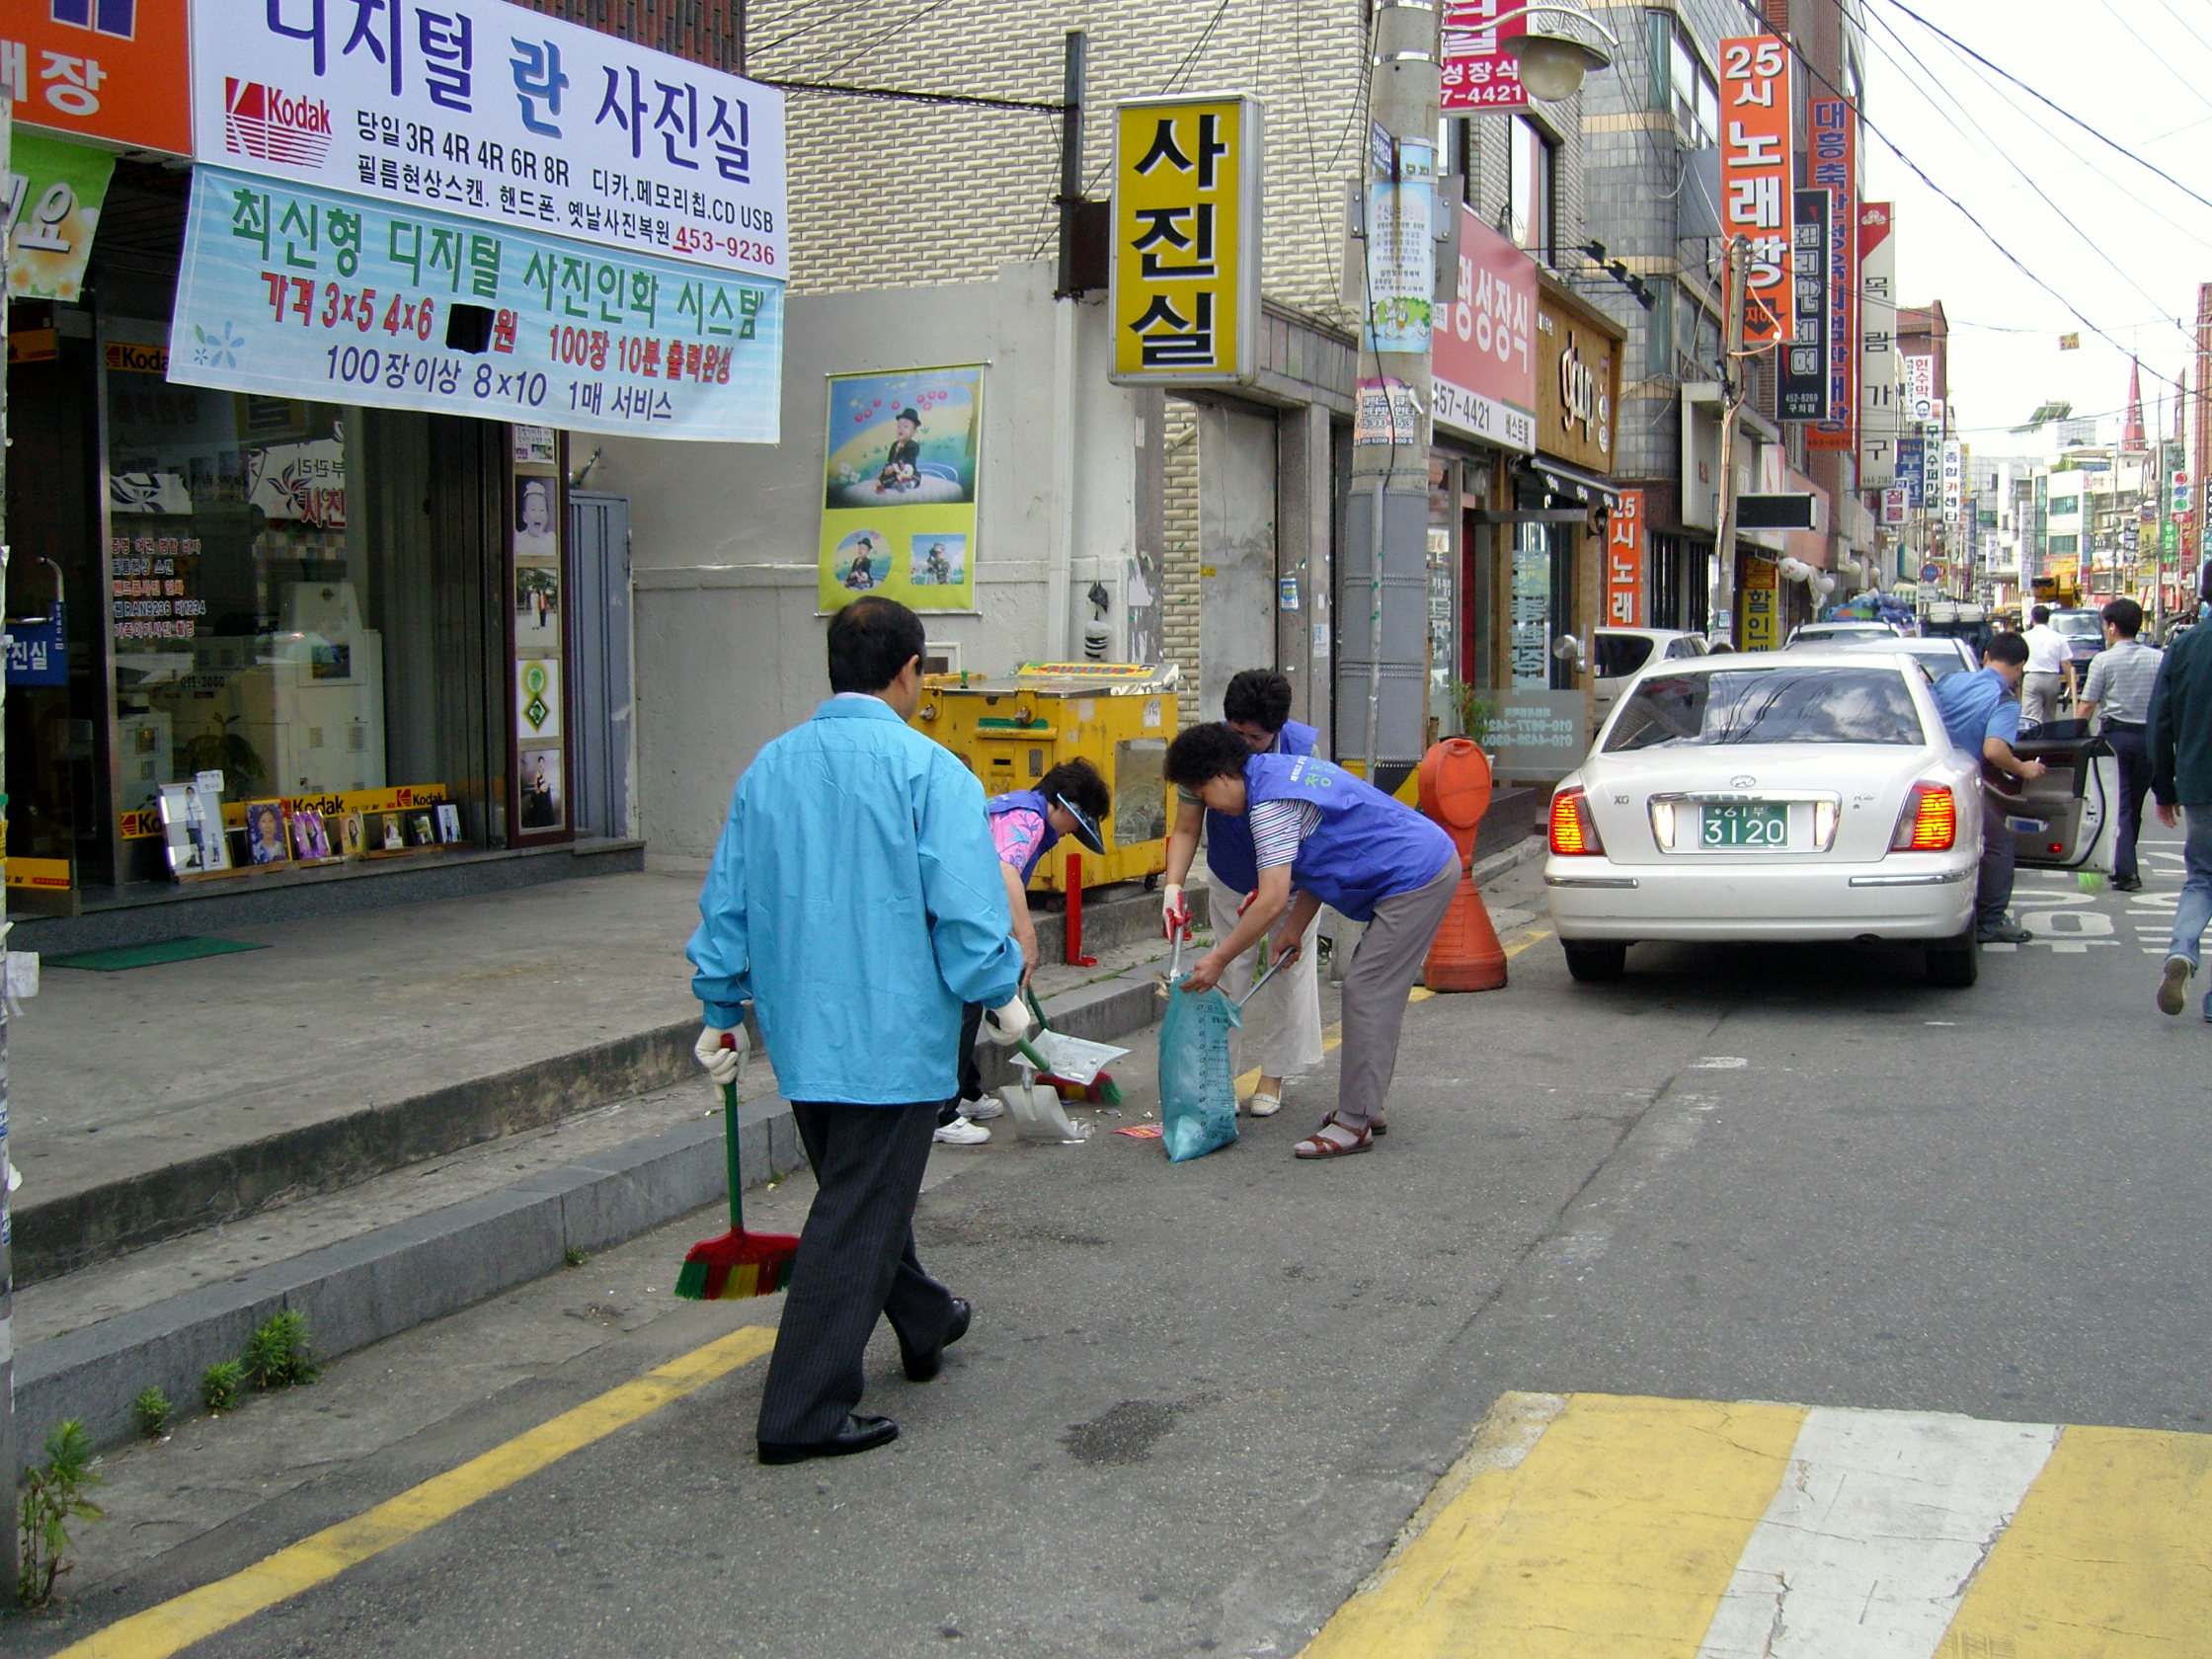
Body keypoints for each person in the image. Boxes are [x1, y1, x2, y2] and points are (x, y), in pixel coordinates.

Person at [690, 596, 1030, 1464]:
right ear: (911, 670)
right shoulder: (933, 772)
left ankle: (925, 1318)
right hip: (896, 1037)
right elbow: (966, 911)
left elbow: (727, 899)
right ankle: (800, 1411)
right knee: (855, 1213)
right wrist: (1001, 991)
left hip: (803, 1033)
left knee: (859, 1196)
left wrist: (721, 1009)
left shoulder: (768, 769)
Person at [1164, 724, 1457, 1159]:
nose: (1213, 809)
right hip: (1418, 862)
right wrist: (1294, 928)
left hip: (1415, 875)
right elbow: (1317, 856)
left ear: (1221, 775)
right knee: (1374, 993)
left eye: (1205, 795)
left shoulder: (1268, 806)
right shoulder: (1279, 771)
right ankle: (1365, 1105)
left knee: (1367, 991)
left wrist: (1219, 959)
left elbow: (1271, 899)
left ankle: (1354, 1123)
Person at [1159, 671, 1325, 1118]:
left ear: (1278, 729)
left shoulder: (1303, 752)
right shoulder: (1205, 752)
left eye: (1256, 737)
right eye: (1238, 733)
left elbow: (1318, 834)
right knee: (1227, 972)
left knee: (1286, 970)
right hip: (1232, 875)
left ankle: (1274, 1075)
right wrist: (1173, 885)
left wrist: (1291, 896)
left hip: (1292, 879)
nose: (1246, 745)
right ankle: (1221, 1077)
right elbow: (1186, 827)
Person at [942, 759, 1112, 1140]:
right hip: (953, 915)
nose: (1069, 834)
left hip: (966, 914)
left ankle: (965, 1091)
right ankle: (941, 1113)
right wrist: (1027, 942)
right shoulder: (1028, 818)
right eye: (1075, 825)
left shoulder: (1019, 808)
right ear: (1063, 806)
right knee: (962, 1011)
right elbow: (1005, 873)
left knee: (971, 1002)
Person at [1931, 632, 2046, 945]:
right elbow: (1994, 750)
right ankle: (1991, 920)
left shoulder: (1948, 681)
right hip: (1960, 782)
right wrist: (2023, 768)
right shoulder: (2004, 700)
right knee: (1997, 844)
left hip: (1924, 776)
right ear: (2020, 667)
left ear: (1985, 657)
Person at [2150, 592, 2212, 1017]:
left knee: (2203, 877)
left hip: (2199, 780)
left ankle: (2182, 950)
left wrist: (2164, 787)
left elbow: (2160, 721)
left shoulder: (2185, 645)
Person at [2075, 597, 2162, 893]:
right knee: (2133, 804)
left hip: (2116, 740)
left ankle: (2126, 871)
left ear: (2112, 627)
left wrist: (2076, 735)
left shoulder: (2103, 660)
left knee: (2118, 805)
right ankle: (2124, 862)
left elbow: (2088, 704)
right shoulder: (2157, 659)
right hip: (2149, 740)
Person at [2019, 604, 2078, 728]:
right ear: (2048, 619)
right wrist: (2069, 684)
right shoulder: (2058, 638)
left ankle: (2032, 738)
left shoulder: (2025, 637)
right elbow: (2066, 663)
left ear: (2033, 619)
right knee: (2049, 716)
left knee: (2031, 717)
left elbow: (2019, 660)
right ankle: (2049, 737)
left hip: (2032, 677)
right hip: (2052, 679)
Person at [876, 408, 922, 493]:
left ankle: (909, 484)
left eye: (905, 427)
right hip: (895, 473)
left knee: (917, 475)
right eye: (899, 426)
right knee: (884, 479)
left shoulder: (913, 446)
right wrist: (885, 471)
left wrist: (894, 467)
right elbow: (889, 460)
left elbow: (908, 460)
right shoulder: (894, 445)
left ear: (913, 432)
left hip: (907, 471)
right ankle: (896, 485)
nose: (901, 429)